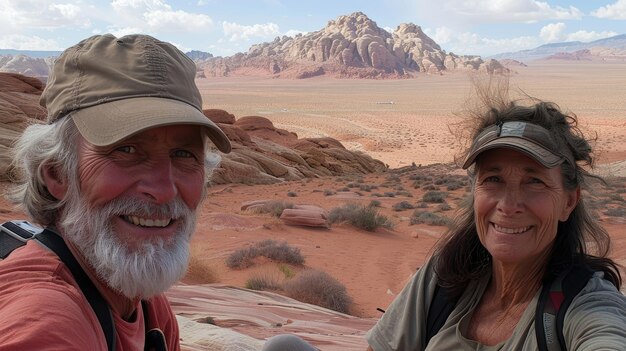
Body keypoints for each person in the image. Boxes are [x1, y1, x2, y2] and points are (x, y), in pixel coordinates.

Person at [0, 33, 232, 350]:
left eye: (183, 154)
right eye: (126, 149)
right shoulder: (47, 321)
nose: (164, 191)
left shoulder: (149, 308)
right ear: (57, 174)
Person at [366, 83, 626, 350]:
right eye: (493, 179)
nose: (508, 205)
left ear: (569, 202)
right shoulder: (442, 280)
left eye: (534, 181)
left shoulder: (586, 307)